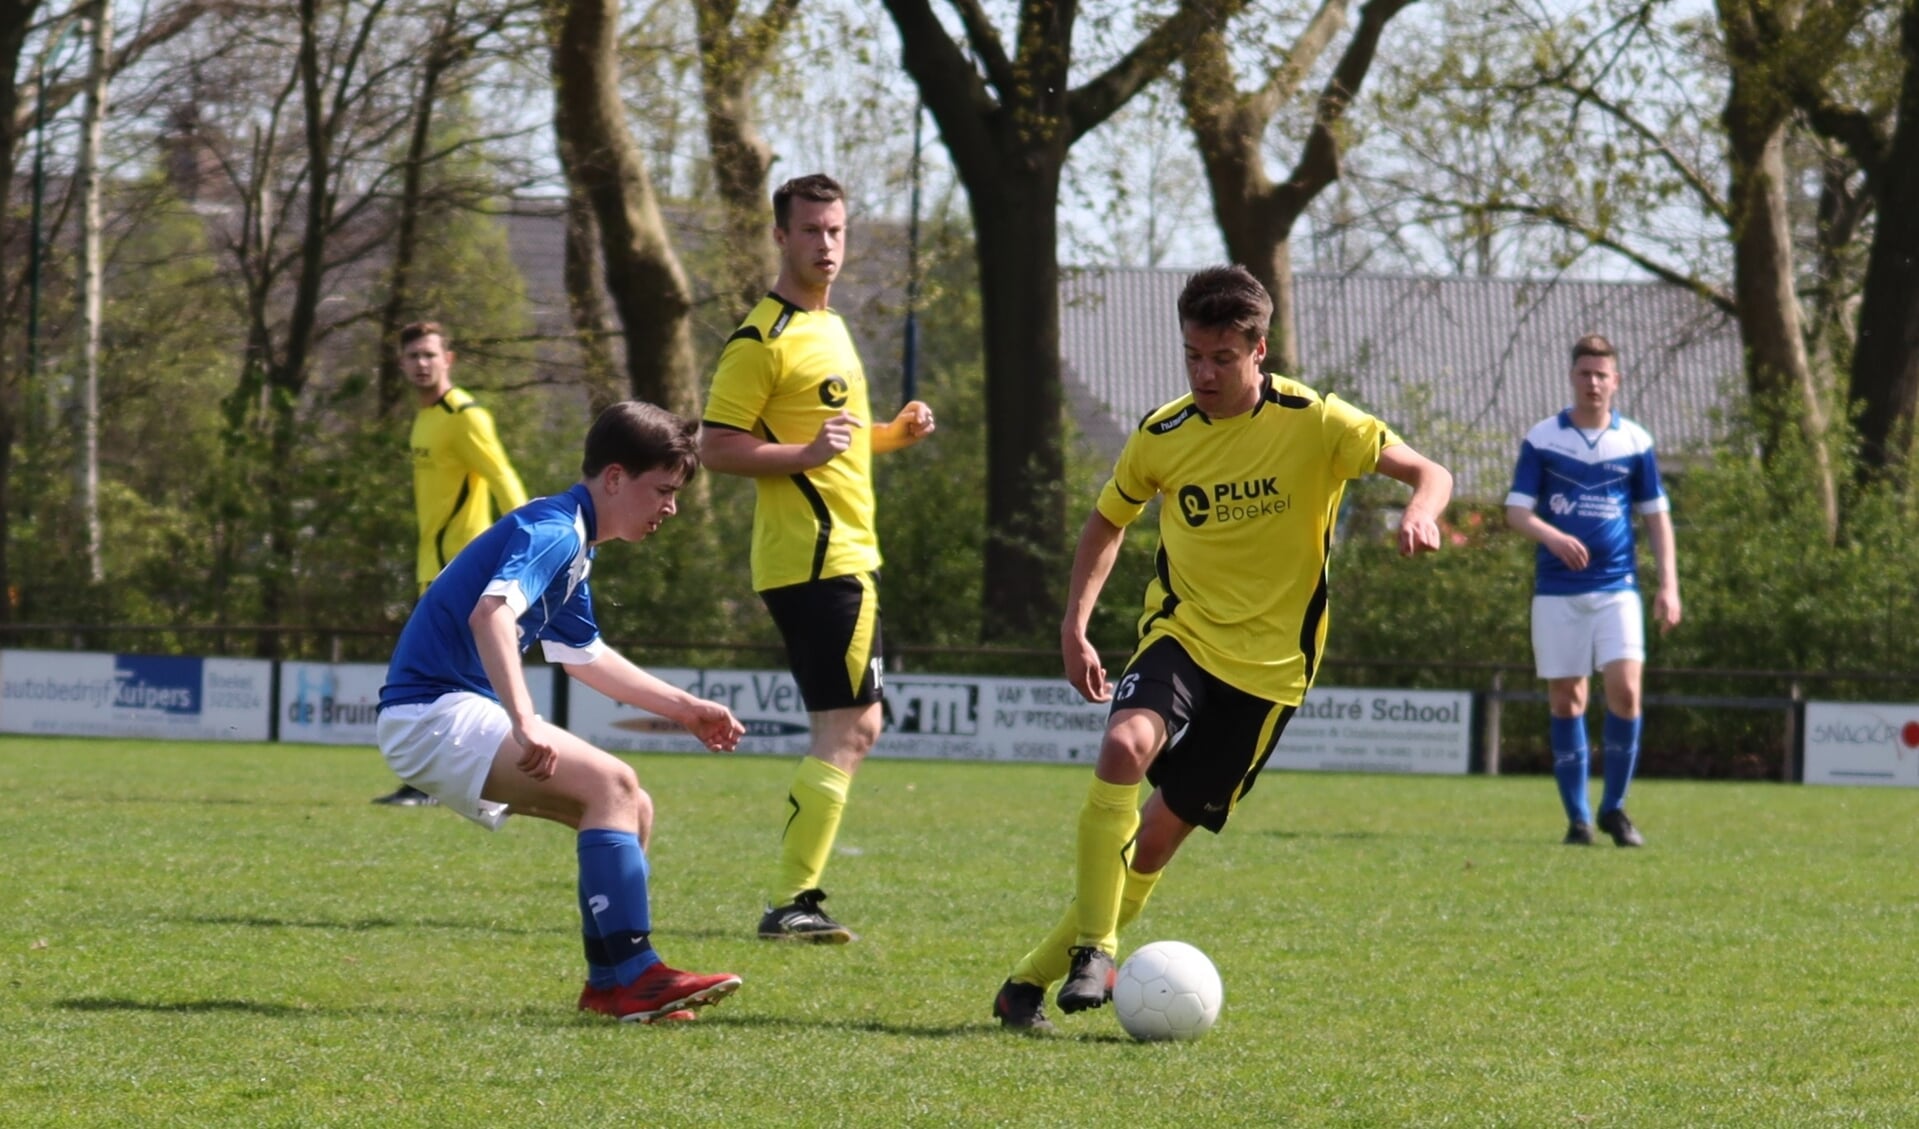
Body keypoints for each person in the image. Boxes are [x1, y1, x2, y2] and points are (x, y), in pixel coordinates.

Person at [990, 265, 1453, 1033]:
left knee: (1154, 845)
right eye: (1191, 356)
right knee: (1123, 745)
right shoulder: (1162, 435)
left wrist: (1421, 510)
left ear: (1258, 350)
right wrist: (1074, 624)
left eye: (1220, 359)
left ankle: (1024, 984)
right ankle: (1096, 948)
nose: (1203, 373)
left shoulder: (1317, 421)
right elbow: (1107, 521)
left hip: (1270, 676)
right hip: (1182, 635)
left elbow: (1428, 470)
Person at [376, 401, 747, 1022]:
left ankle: (608, 986)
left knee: (633, 804)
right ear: (614, 478)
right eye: (661, 490)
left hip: (437, 715)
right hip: (432, 713)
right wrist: (524, 720)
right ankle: (636, 974)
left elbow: (584, 657)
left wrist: (685, 709)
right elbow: (491, 614)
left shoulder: (576, 541)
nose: (670, 507)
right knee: (614, 783)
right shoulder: (554, 531)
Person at [699, 173, 935, 943]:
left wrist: (893, 433)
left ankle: (794, 897)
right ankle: (792, 899)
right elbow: (715, 446)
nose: (825, 244)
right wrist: (803, 450)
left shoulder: (829, 328)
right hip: (820, 557)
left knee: (847, 724)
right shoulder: (760, 338)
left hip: (830, 557)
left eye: (835, 230)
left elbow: (834, 437)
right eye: (810, 231)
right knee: (852, 727)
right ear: (780, 236)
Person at [1505, 334, 1681, 848]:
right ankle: (1578, 819)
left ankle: (1615, 809)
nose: (1593, 383)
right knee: (1567, 699)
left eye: (1602, 375)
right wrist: (1553, 536)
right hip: (1558, 590)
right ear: (1572, 377)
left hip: (1617, 586)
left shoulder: (1635, 443)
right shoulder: (1543, 439)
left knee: (1626, 692)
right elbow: (1516, 512)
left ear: (1616, 381)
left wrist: (1668, 585)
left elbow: (1657, 518)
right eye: (1585, 373)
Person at [374, 321, 531, 807]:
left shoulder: (465, 415)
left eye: (429, 355)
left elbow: (505, 480)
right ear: (401, 363)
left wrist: (530, 554)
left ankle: (449, 781)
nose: (421, 364)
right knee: (450, 677)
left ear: (449, 359)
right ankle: (468, 779)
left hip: (461, 569)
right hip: (432, 566)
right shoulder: (424, 418)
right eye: (413, 356)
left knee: (447, 677)